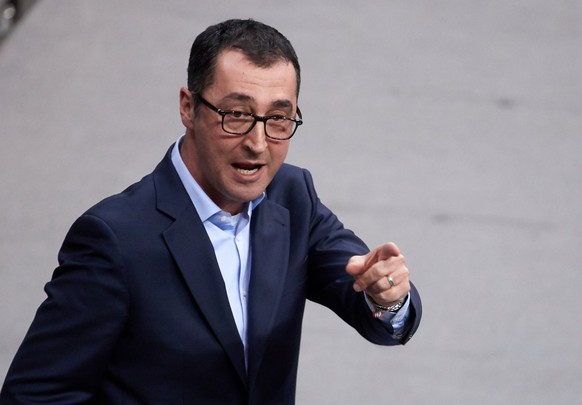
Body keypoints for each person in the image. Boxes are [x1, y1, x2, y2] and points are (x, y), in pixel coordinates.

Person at [0, 19, 421, 404]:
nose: (258, 143)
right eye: (236, 114)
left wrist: (385, 296)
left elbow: (370, 301)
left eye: (278, 118)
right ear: (188, 107)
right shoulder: (115, 238)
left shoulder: (293, 197)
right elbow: (34, 395)